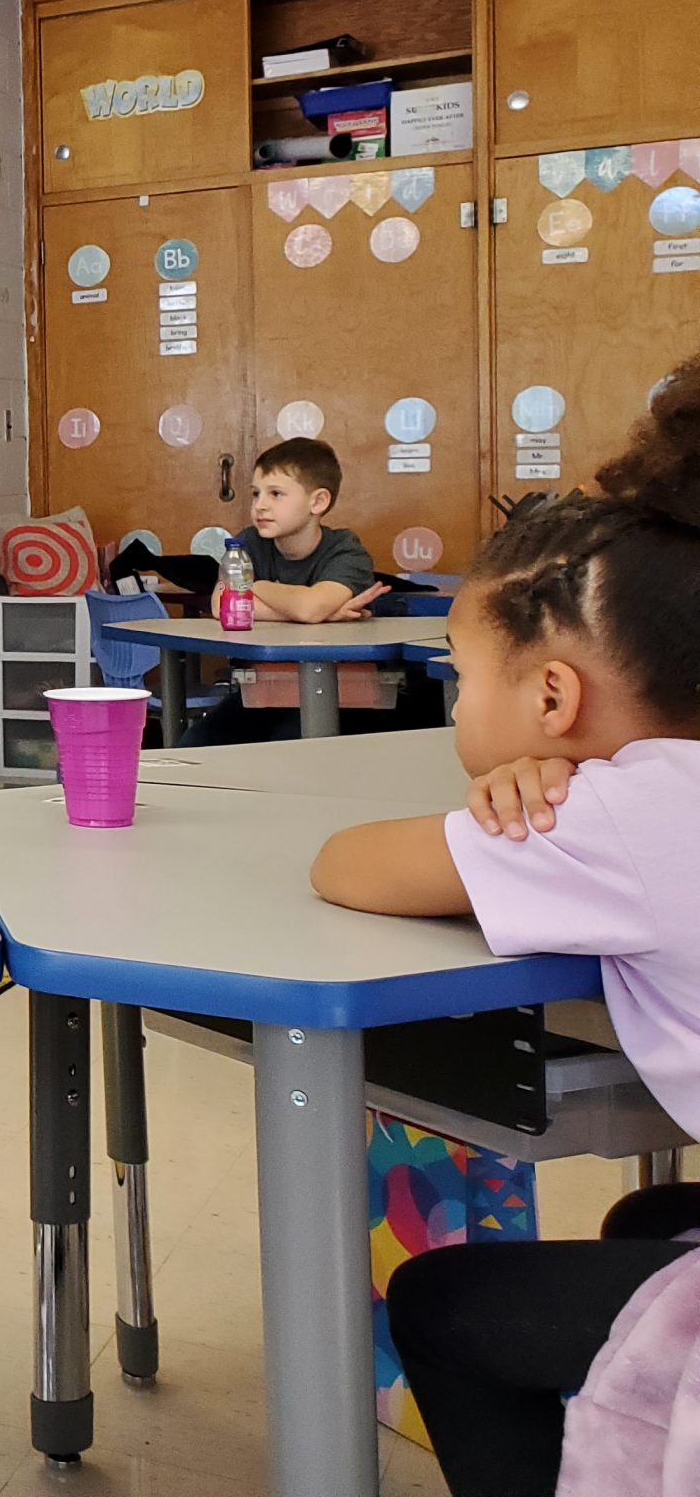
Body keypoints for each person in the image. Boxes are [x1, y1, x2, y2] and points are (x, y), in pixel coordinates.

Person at [308, 355, 700, 1497]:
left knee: (445, 1303)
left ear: (551, 700)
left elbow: (350, 865)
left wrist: (538, 788)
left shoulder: (614, 815)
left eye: (459, 675)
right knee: (650, 1211)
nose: (455, 701)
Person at [216, 436, 388, 625]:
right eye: (256, 493)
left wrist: (254, 587)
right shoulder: (248, 542)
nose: (260, 505)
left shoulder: (346, 551)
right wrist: (327, 615)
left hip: (330, 654)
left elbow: (310, 608)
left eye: (276, 494)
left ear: (318, 502)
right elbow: (221, 605)